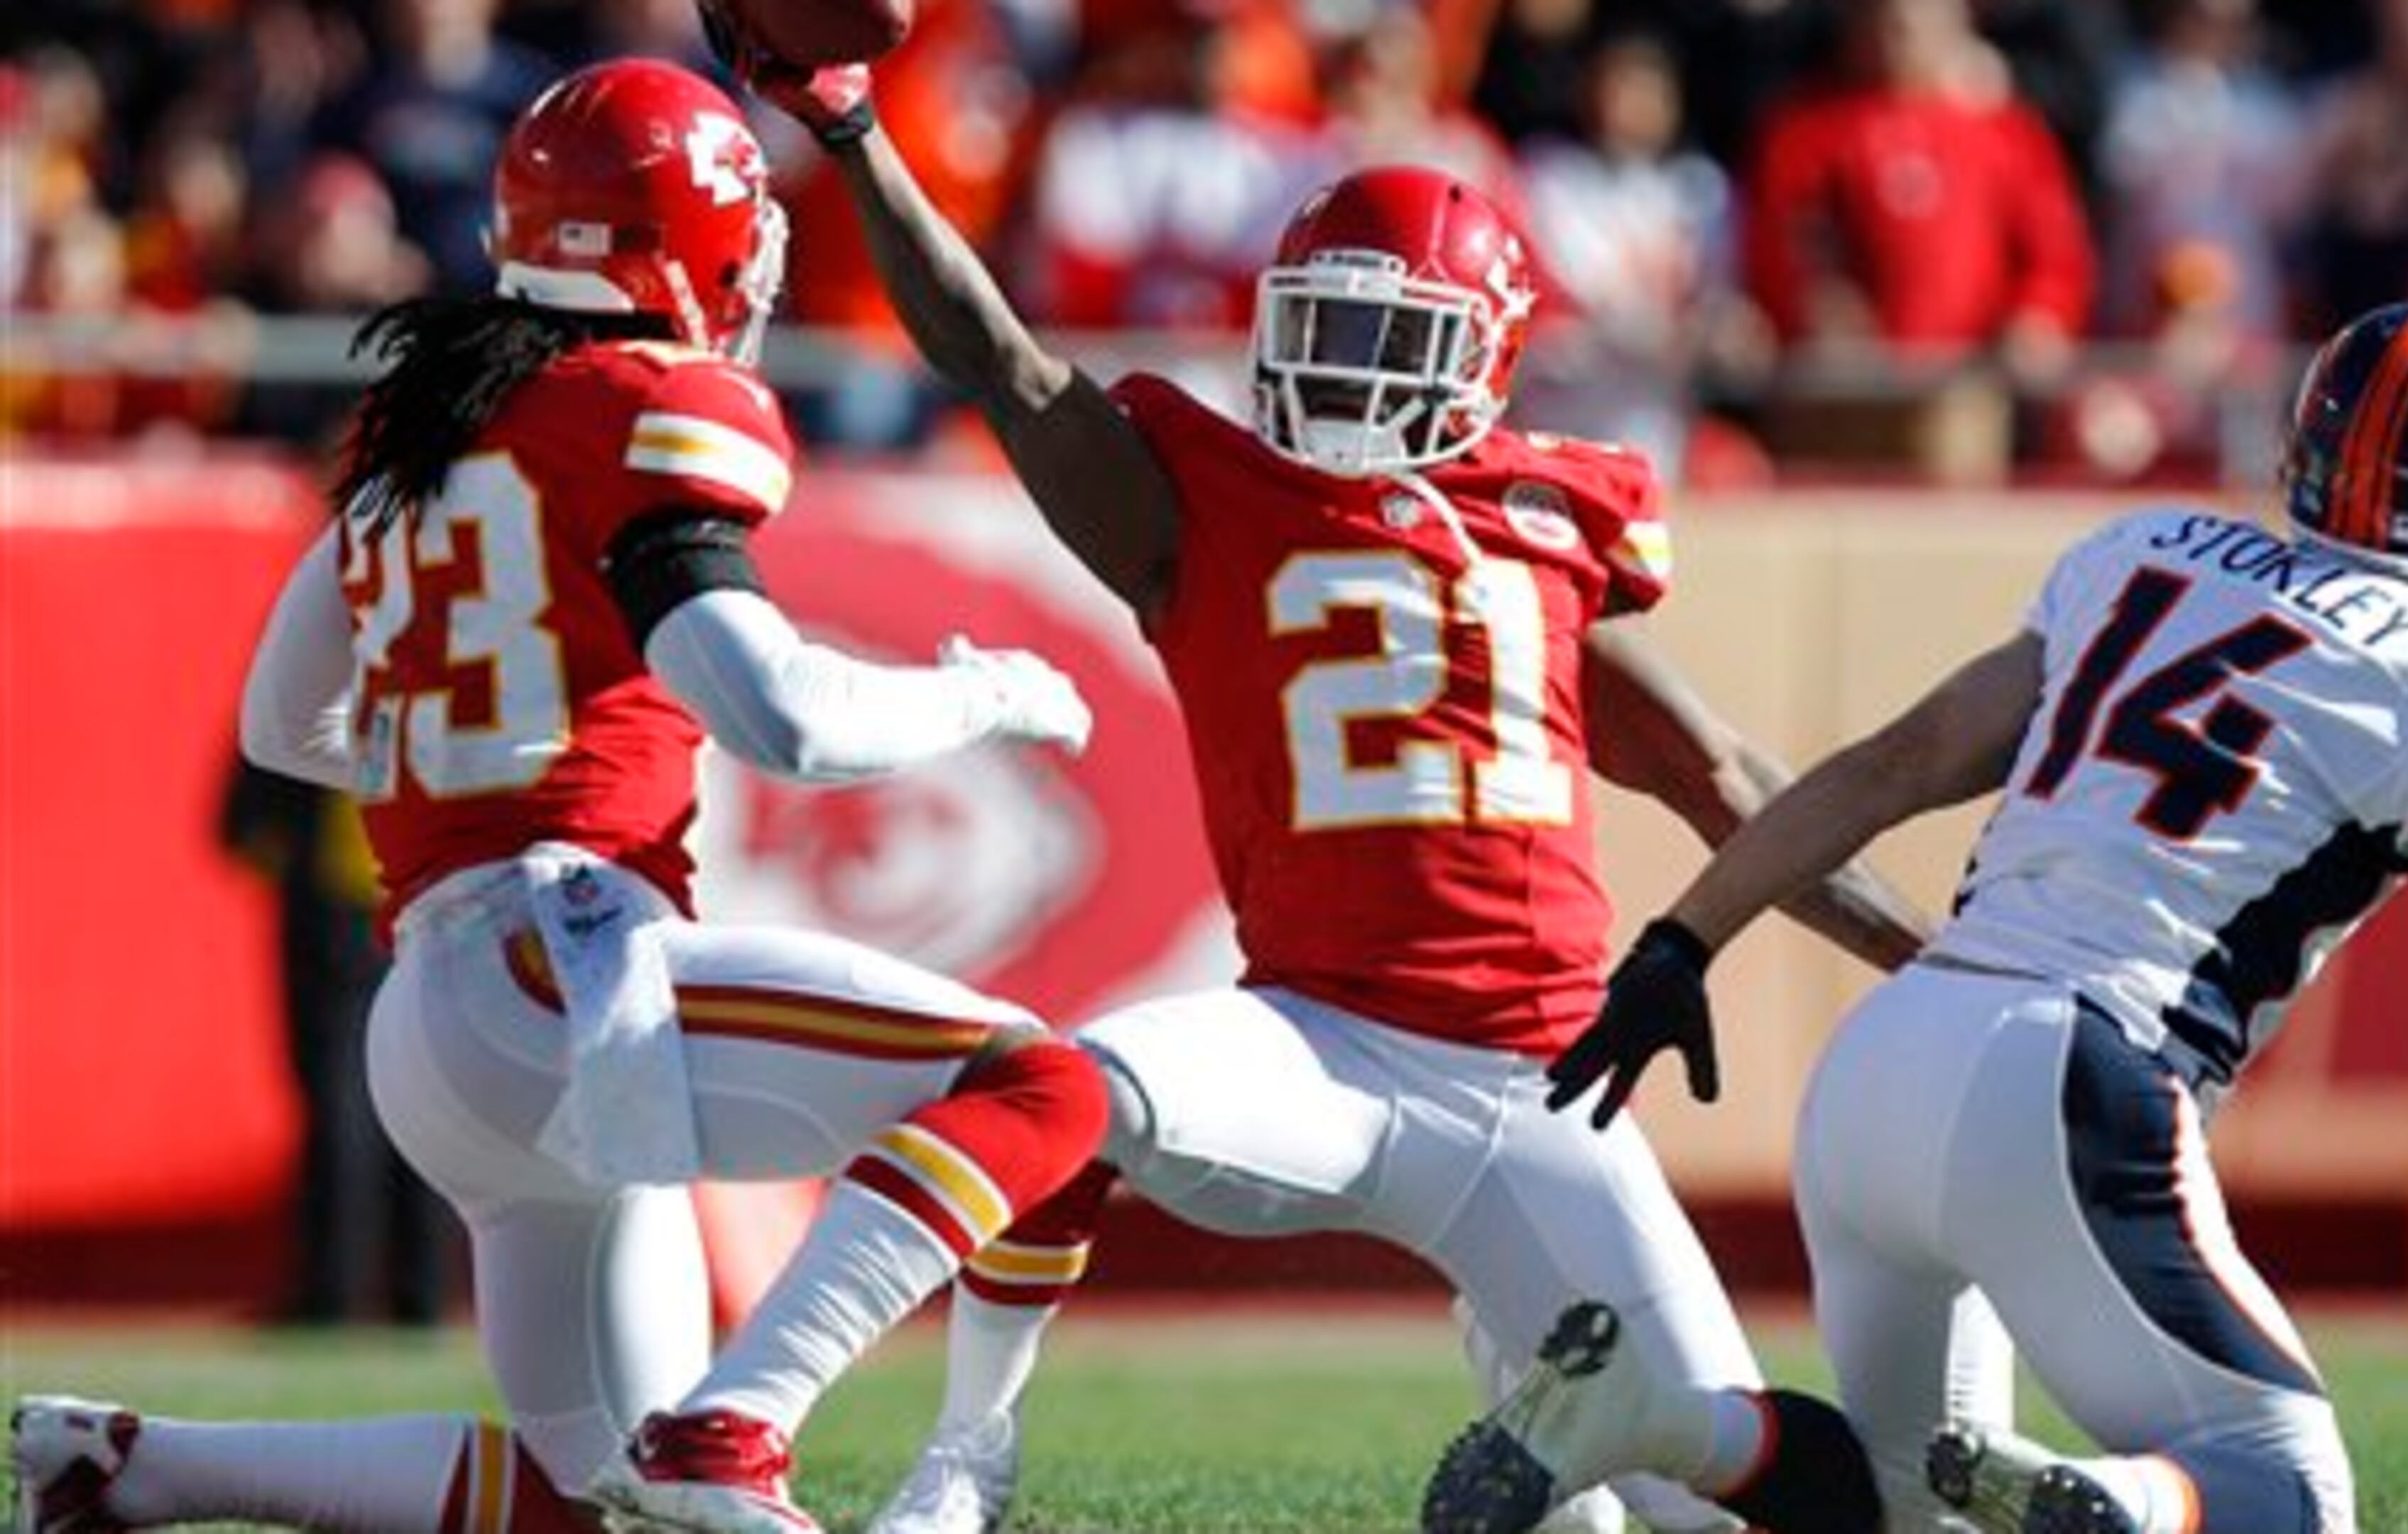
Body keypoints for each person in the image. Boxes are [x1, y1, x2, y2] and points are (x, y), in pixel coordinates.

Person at [704, 21, 1932, 1534]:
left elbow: (1734, 785)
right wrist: (848, 130)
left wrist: (1934, 963)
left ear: (1484, 357)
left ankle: (1623, 1437)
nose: (1342, 370)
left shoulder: (1548, 520)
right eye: (1323, 327)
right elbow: (993, 356)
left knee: (1723, 1505)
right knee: (1056, 1088)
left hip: (1548, 1091)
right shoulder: (1203, 497)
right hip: (1316, 1044)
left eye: (1390, 338)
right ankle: (938, 1449)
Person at [9, 59, 1108, 1534]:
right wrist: (988, 693)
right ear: (692, 240)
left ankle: (133, 1470)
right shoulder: (643, 400)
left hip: (438, 1026)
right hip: (571, 966)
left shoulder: (425, 422)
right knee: (1043, 1087)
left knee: (591, 1498)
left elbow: (288, 722)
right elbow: (776, 713)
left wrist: (476, 757)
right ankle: (744, 1425)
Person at [1431, 301, 2408, 1534]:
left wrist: (1683, 942)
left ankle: (1662, 1426)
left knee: (1893, 1496)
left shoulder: (2152, 552)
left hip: (1889, 1060)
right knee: (2286, 1496)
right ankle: (2111, 1505)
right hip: (2080, 1078)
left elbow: (1893, 765)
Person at [219, 756, 451, 1327]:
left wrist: (285, 855)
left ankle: (333, 1290)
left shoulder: (324, 672)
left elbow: (244, 828)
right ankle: (421, 1293)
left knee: (337, 1105)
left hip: (336, 905)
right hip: (431, 898)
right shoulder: (434, 670)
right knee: (427, 1096)